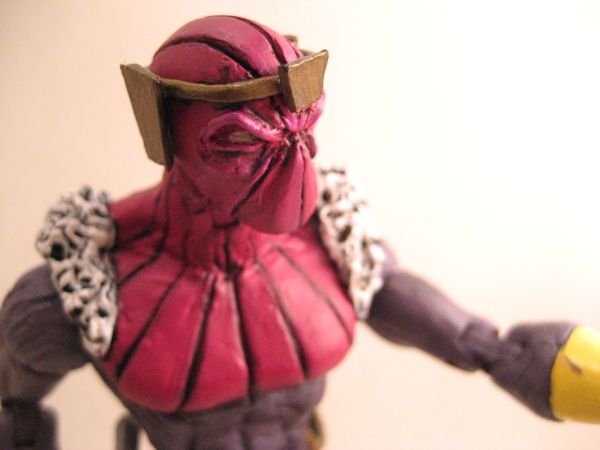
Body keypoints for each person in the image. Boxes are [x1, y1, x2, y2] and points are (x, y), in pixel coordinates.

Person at [1, 15, 599, 450]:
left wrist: (503, 357)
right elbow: (15, 403)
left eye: (302, 126)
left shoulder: (334, 242)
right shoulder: (85, 286)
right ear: (167, 134)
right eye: (241, 141)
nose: (294, 161)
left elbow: (425, 312)